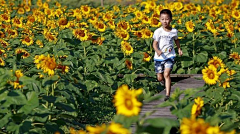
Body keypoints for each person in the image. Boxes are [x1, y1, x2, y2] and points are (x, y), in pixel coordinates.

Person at [152, 9, 183, 101]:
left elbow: (176, 40)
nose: (164, 21)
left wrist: (179, 49)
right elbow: (154, 44)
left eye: (167, 19)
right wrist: (157, 50)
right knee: (160, 77)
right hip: (159, 57)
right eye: (162, 19)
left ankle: (167, 95)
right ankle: (163, 82)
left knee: (166, 74)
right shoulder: (158, 31)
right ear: (159, 19)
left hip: (170, 56)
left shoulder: (174, 31)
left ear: (171, 19)